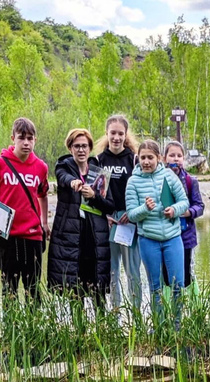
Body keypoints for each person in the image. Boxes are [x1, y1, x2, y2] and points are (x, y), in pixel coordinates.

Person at [0, 117, 49, 312]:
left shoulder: (41, 167)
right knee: (9, 287)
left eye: (30, 138)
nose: (26, 142)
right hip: (7, 236)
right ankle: (10, 334)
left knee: (33, 289)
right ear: (13, 138)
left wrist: (44, 222)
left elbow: (43, 194)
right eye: (21, 138)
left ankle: (34, 332)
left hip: (33, 236)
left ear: (35, 139)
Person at [47, 129, 114, 311]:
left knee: (97, 287)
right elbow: (63, 178)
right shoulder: (63, 166)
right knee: (74, 288)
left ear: (90, 148)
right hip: (72, 236)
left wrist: (94, 196)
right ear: (70, 148)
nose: (81, 150)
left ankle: (102, 329)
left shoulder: (99, 173)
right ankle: (79, 331)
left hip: (94, 236)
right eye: (77, 146)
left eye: (84, 146)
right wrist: (73, 183)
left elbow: (110, 205)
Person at [125, 140, 189, 330]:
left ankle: (177, 325)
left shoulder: (169, 176)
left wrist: (174, 210)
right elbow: (131, 214)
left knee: (178, 283)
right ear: (138, 159)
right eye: (143, 158)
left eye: (150, 158)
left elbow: (184, 201)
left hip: (172, 238)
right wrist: (145, 208)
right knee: (155, 286)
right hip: (148, 239)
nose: (146, 162)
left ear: (159, 158)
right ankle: (160, 326)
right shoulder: (133, 181)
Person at [94, 115, 143, 313]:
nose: (116, 137)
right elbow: (95, 194)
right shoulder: (98, 161)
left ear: (126, 135)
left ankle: (136, 316)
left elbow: (142, 190)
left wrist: (133, 214)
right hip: (108, 221)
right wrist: (103, 215)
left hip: (129, 221)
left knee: (133, 271)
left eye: (120, 133)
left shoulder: (134, 159)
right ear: (107, 134)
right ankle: (114, 314)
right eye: (113, 133)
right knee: (111, 272)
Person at [162, 141, 205, 291]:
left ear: (184, 159)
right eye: (172, 155)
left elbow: (200, 206)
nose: (175, 159)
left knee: (186, 274)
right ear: (164, 158)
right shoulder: (158, 179)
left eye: (179, 155)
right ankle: (168, 309)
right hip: (164, 235)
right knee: (166, 275)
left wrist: (186, 212)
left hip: (185, 236)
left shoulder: (190, 181)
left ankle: (194, 308)